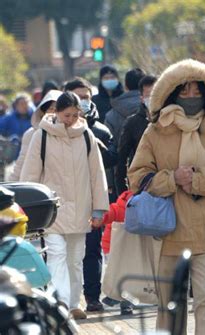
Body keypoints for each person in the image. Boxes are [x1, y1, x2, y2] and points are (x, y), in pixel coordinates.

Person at [128, 59, 205, 335]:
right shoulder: (155, 130)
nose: (191, 97)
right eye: (184, 91)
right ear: (170, 93)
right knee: (170, 306)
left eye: (196, 91)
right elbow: (137, 176)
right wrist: (171, 179)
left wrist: (197, 179)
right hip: (168, 231)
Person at [20, 92, 109, 320]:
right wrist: (28, 208)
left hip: (80, 207)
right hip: (52, 210)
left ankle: (72, 302)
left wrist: (99, 209)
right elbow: (30, 174)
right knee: (57, 254)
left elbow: (96, 174)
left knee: (76, 258)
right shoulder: (42, 136)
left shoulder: (86, 136)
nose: (70, 119)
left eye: (74, 114)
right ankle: (62, 305)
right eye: (66, 114)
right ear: (57, 112)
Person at [63, 77, 117, 313]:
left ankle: (92, 297)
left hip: (90, 198)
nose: (83, 101)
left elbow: (109, 163)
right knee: (66, 253)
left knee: (92, 249)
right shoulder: (53, 131)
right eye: (78, 96)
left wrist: (94, 146)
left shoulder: (100, 130)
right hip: (64, 202)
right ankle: (67, 298)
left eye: (86, 96)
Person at [115, 75, 157, 194]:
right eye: (149, 95)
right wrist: (124, 194)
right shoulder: (132, 123)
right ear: (142, 98)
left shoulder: (171, 120)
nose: (152, 99)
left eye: (156, 94)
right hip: (142, 187)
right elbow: (122, 160)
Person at [9, 90, 62, 181]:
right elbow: (21, 163)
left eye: (58, 109)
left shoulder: (74, 134)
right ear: (43, 111)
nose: (54, 113)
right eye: (51, 108)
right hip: (40, 188)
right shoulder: (31, 134)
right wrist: (11, 185)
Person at [105, 68, 146, 144]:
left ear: (126, 86)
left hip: (121, 154)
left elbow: (110, 143)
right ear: (145, 85)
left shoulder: (111, 115)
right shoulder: (153, 108)